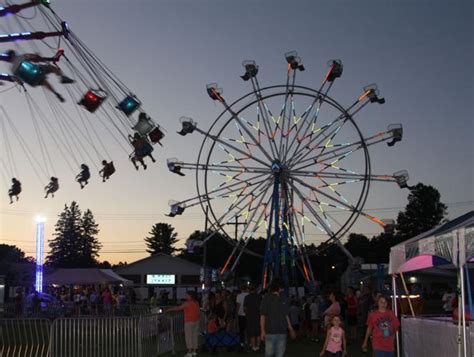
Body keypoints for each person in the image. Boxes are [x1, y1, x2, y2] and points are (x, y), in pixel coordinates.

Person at [6, 49, 74, 102]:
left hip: (31, 81)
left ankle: (55, 93)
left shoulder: (12, 69)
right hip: (37, 71)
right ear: (14, 54)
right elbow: (32, 56)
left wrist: (20, 82)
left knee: (44, 82)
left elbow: (16, 79)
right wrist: (37, 56)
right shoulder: (21, 56)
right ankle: (62, 77)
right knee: (52, 68)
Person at [260, 279, 296, 357]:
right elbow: (263, 315)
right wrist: (262, 331)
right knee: (269, 354)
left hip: (282, 331)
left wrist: (291, 329)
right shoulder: (267, 298)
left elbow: (286, 315)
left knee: (279, 354)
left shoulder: (284, 298)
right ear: (279, 287)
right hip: (270, 331)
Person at [167, 291, 201, 357]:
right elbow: (198, 311)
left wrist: (169, 309)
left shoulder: (187, 303)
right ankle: (194, 351)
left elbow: (178, 308)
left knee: (188, 337)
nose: (186, 296)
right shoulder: (196, 302)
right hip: (196, 321)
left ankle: (189, 352)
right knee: (194, 336)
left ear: (190, 296)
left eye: (187, 295)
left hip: (189, 322)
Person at [244, 284, 262, 352]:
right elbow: (261, 308)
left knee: (252, 333)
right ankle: (258, 346)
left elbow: (245, 308)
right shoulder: (259, 297)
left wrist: (247, 314)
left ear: (249, 290)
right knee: (258, 333)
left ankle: (253, 346)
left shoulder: (247, 297)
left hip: (250, 317)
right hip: (258, 316)